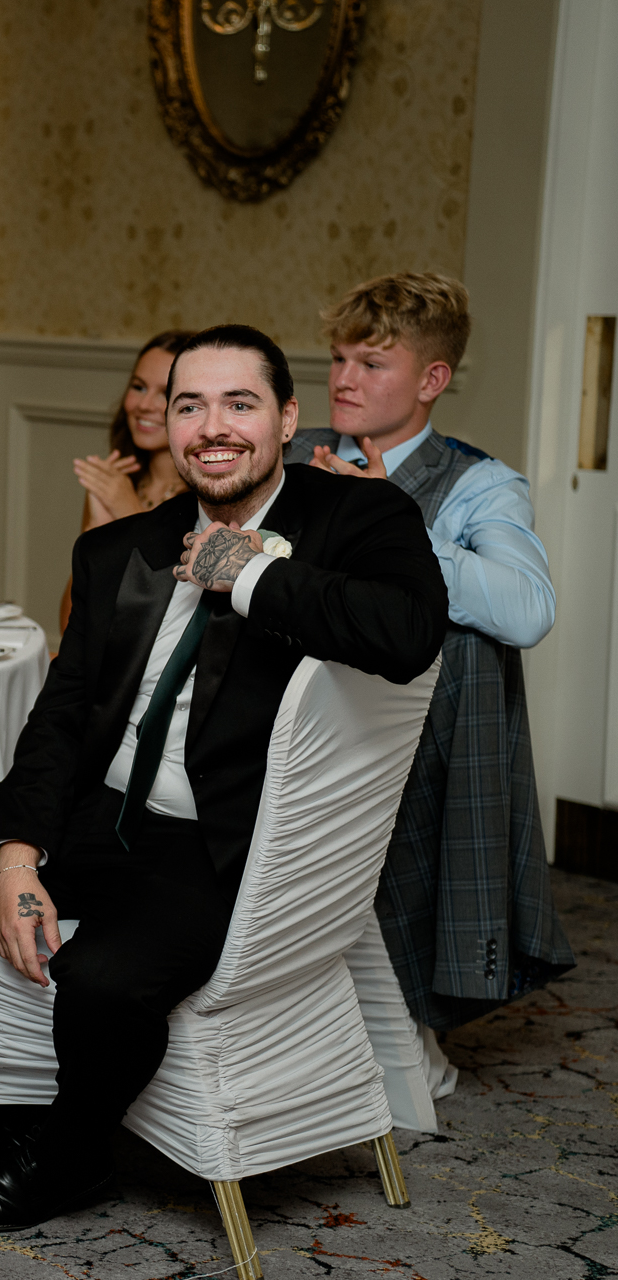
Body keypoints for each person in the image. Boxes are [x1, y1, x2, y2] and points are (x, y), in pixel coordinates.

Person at [0, 325, 447, 1233]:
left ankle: (68, 1157)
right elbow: (63, 718)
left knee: (104, 980)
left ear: (288, 418)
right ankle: (6, 1117)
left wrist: (248, 570)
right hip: (99, 811)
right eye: (190, 406)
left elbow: (410, 631)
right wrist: (19, 855)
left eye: (240, 404)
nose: (211, 427)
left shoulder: (358, 520)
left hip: (228, 838)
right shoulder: (121, 550)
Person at [289, 272, 573, 1034]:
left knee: (478, 648)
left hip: (399, 733)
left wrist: (389, 525)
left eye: (371, 364)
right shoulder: (295, 450)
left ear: (432, 379)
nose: (343, 379)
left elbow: (528, 610)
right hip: (280, 706)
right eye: (339, 357)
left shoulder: (479, 483)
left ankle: (404, 1004)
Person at [59, 331, 195, 630]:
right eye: (138, 386)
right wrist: (95, 534)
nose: (144, 405)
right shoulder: (116, 481)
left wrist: (129, 513)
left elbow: (173, 621)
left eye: (164, 392)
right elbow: (70, 626)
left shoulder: (208, 497)